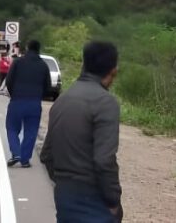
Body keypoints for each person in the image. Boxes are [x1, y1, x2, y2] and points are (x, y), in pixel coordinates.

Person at [40, 41, 121, 223]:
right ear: (114, 70)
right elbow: (104, 160)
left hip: (64, 195)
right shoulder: (105, 103)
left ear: (84, 64)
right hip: (93, 197)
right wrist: (113, 200)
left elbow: (46, 154)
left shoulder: (63, 99)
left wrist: (63, 183)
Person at [4, 40, 52, 169]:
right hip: (34, 103)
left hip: (17, 100)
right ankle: (25, 160)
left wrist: (14, 94)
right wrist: (39, 96)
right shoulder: (43, 66)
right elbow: (48, 87)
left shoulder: (18, 62)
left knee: (12, 128)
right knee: (31, 131)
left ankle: (16, 153)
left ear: (27, 47)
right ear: (39, 49)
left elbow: (9, 80)